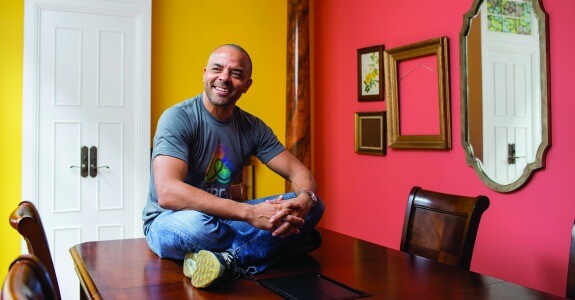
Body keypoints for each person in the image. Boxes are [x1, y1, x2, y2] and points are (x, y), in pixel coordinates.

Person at [142, 44, 324, 289]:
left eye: (236, 73)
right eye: (217, 69)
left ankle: (227, 260)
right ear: (205, 73)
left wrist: (303, 199)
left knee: (313, 205)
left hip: (224, 219)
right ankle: (275, 247)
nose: (224, 77)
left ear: (247, 84)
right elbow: (167, 192)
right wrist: (249, 213)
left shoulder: (252, 127)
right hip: (169, 221)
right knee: (197, 226)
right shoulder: (178, 118)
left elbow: (298, 172)